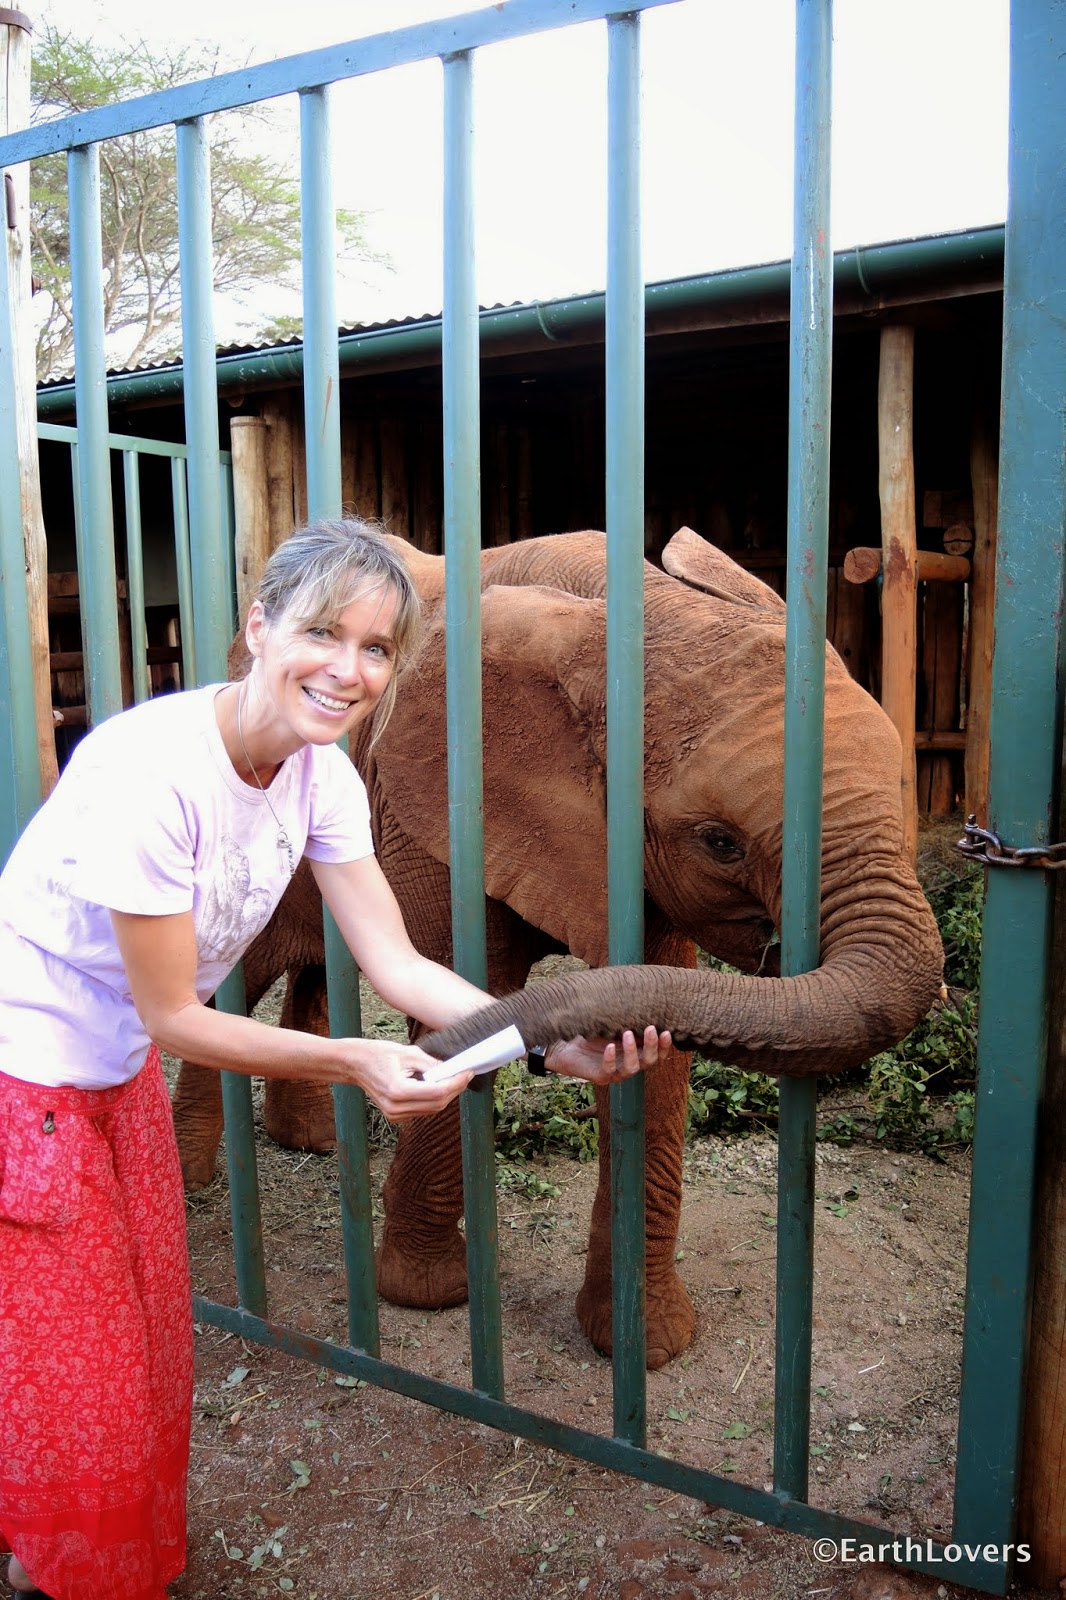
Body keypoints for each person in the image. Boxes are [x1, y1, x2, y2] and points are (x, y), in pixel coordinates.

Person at [0, 518, 668, 1600]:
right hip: (25, 1079)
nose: (347, 670)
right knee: (87, 1374)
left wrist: (544, 1043)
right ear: (259, 626)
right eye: (323, 632)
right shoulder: (148, 771)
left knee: (146, 1345)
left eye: (376, 648)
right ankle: (65, 1569)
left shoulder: (319, 776)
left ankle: (83, 1556)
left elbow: (399, 962)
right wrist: (351, 1061)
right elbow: (175, 1014)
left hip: (109, 1076)